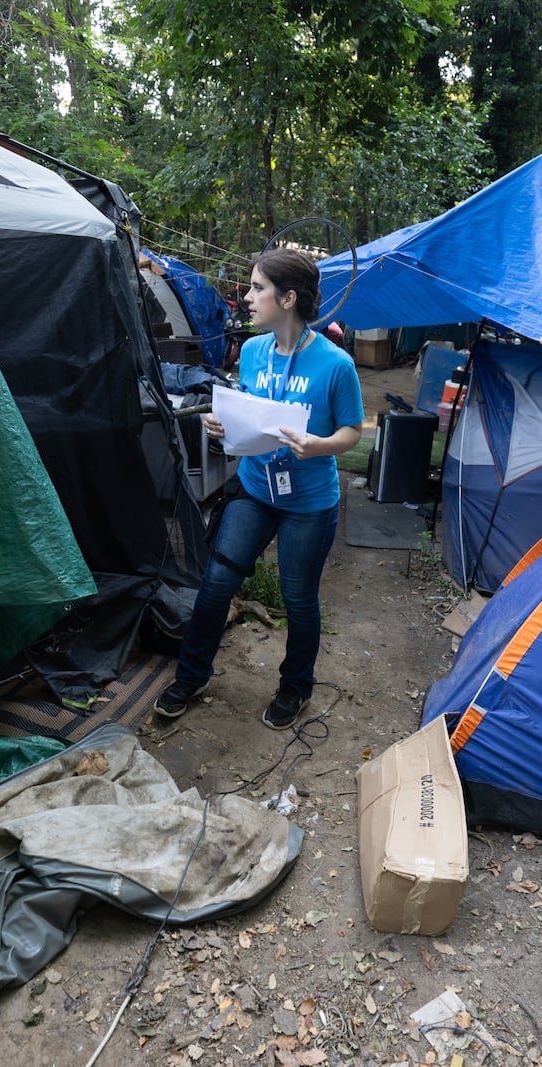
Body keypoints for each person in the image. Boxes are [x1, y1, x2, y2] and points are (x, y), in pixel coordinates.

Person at [154, 248, 365, 729]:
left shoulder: (335, 365)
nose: (246, 297)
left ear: (288, 298)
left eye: (256, 288)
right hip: (253, 488)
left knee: (298, 599)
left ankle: (295, 687)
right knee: (216, 585)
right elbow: (249, 418)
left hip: (308, 504)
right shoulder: (251, 351)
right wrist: (220, 426)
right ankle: (190, 675)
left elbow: (352, 430)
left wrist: (319, 445)